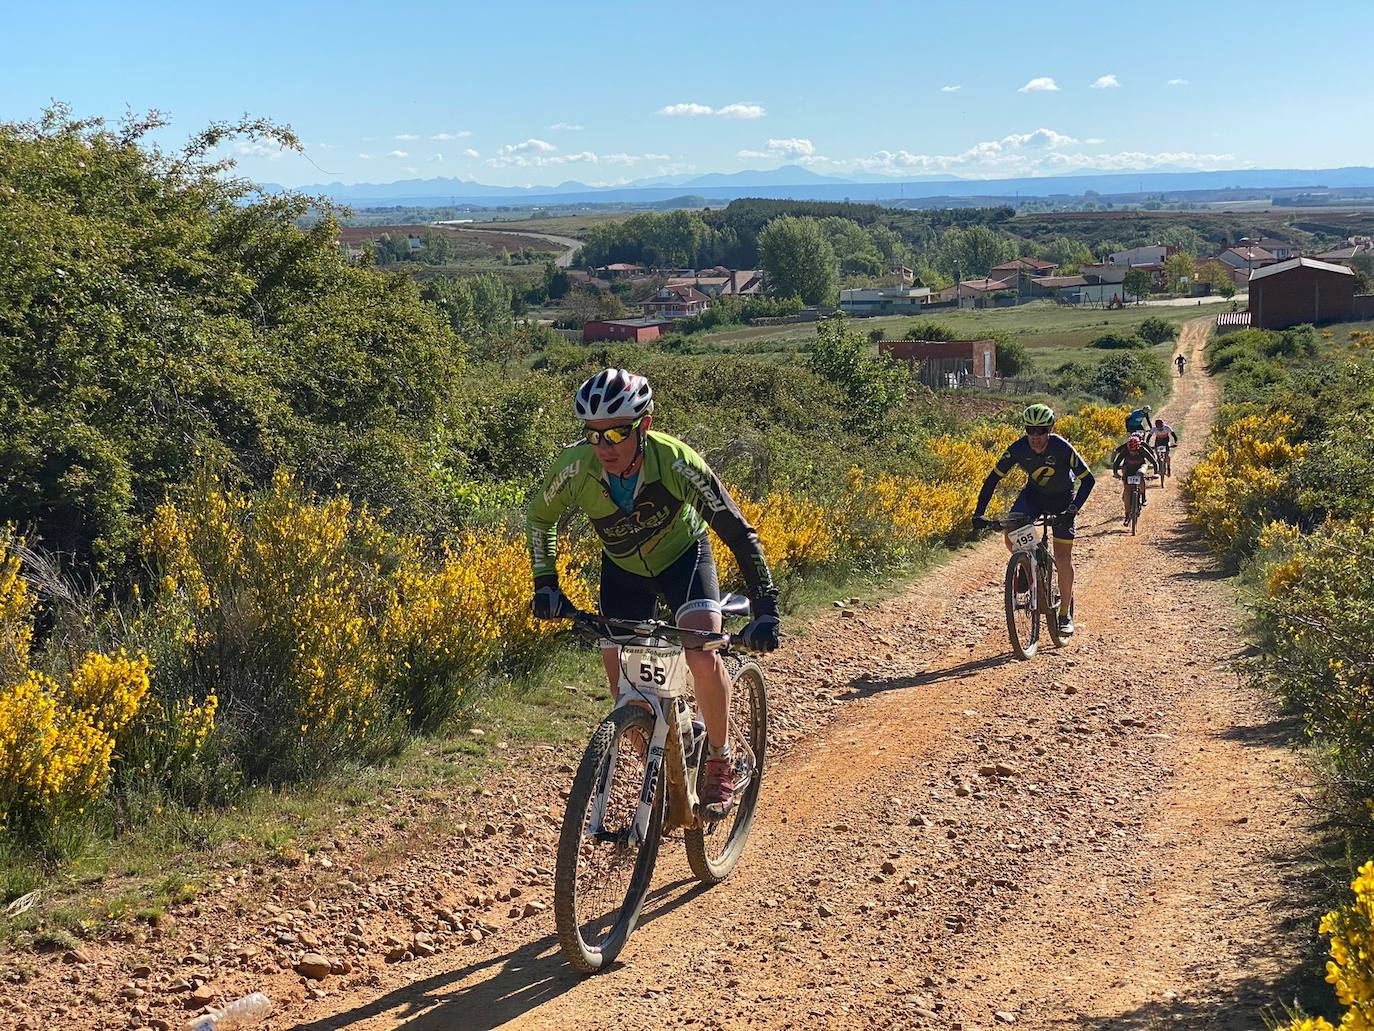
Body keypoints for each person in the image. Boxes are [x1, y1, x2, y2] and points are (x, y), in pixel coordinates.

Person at [526, 368, 780, 819]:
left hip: (684, 558)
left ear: (643, 425)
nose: (604, 447)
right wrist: (546, 583)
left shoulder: (676, 461)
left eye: (617, 433)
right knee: (625, 688)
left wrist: (766, 606)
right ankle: (664, 753)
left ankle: (720, 760)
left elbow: (739, 533)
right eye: (593, 434)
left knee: (701, 652)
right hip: (623, 569)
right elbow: (540, 519)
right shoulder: (575, 467)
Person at [971, 403, 1094, 636]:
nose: (1036, 437)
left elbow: (1088, 480)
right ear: (1026, 429)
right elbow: (992, 480)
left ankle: (1064, 614)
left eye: (1042, 431)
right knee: (1010, 528)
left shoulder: (1062, 448)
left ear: (1050, 429)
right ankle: (1028, 564)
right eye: (1031, 430)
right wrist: (979, 513)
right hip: (1033, 496)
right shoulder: (1018, 448)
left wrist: (1073, 509)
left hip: (1062, 501)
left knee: (1062, 557)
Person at [1110, 434, 1161, 524]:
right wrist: (1115, 473)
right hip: (1128, 469)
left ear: (1138, 447)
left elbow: (1153, 461)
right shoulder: (1125, 450)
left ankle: (1143, 496)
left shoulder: (1142, 449)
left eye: (1134, 451)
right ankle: (1127, 515)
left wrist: (1156, 473)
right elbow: (1117, 462)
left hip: (1141, 466)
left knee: (1140, 474)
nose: (1132, 453)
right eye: (1130, 451)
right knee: (1126, 493)